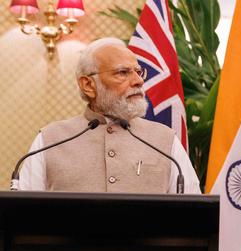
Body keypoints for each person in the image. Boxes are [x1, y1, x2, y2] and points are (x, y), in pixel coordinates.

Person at [19, 38, 200, 194]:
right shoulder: (49, 140)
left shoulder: (165, 140)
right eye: (122, 72)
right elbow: (23, 214)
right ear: (88, 85)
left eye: (138, 72)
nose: (138, 81)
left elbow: (192, 214)